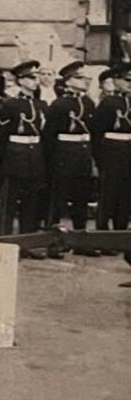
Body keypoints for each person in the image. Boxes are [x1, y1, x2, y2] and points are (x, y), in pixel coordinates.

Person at [0, 60, 49, 257]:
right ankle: (5, 242)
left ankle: (27, 243)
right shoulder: (9, 104)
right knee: (9, 202)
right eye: (31, 78)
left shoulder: (39, 104)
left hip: (34, 156)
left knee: (30, 203)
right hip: (15, 156)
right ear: (21, 80)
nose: (36, 81)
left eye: (37, 77)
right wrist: (4, 158)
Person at [44, 61, 97, 255]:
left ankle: (81, 241)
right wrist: (51, 162)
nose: (85, 81)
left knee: (81, 198)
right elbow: (49, 136)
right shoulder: (59, 104)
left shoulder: (89, 103)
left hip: (82, 155)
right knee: (59, 200)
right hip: (63, 155)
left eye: (85, 78)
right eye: (80, 78)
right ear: (69, 81)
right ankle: (55, 242)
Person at [92, 63, 131, 237]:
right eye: (126, 80)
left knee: (125, 193)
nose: (130, 83)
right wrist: (99, 159)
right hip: (111, 151)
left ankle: (120, 232)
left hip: (128, 151)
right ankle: (102, 232)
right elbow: (97, 131)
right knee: (108, 193)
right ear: (116, 81)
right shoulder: (108, 102)